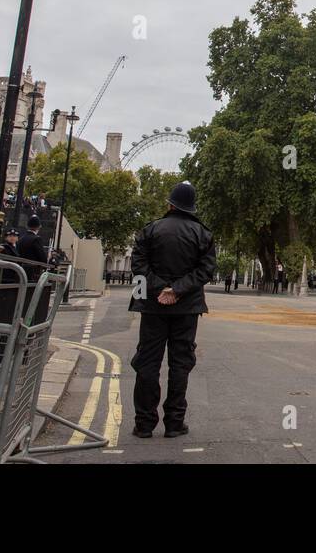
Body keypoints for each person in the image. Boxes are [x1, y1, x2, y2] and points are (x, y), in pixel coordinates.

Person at [129, 181, 216, 439]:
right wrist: (177, 290)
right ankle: (174, 423)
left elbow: (138, 265)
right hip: (186, 308)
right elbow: (205, 271)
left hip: (152, 306)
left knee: (147, 363)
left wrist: (160, 290)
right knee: (180, 364)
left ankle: (144, 423)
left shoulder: (150, 229)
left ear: (170, 204)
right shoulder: (203, 234)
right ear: (191, 207)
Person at [16, 214, 50, 281]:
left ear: (27, 226)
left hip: (20, 271)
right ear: (38, 227)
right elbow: (43, 259)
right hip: (32, 274)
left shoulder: (21, 239)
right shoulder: (37, 239)